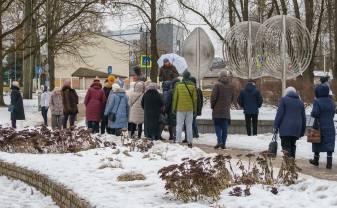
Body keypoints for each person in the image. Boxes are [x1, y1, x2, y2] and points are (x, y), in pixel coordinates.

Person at [274, 87, 306, 158]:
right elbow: (303, 118)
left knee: (285, 146)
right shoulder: (300, 102)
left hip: (285, 128)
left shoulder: (284, 100)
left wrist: (276, 126)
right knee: (292, 145)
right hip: (296, 128)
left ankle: (288, 164)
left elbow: (279, 114)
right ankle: (292, 162)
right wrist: (302, 131)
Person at [309, 85, 336, 169]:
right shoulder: (331, 101)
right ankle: (329, 164)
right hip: (330, 125)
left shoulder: (317, 101)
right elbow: (332, 114)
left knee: (317, 142)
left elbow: (315, 113)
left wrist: (312, 113)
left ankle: (316, 161)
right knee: (329, 144)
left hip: (319, 125)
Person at [172, 71, 197, 148]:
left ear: (183, 76)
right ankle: (190, 142)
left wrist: (174, 108)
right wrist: (195, 110)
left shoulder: (178, 85)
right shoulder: (193, 86)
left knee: (179, 125)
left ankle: (178, 141)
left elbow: (175, 98)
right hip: (190, 109)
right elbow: (195, 99)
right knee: (189, 126)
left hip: (180, 108)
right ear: (189, 77)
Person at [211, 71, 235, 149]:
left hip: (217, 110)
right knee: (225, 128)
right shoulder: (231, 86)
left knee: (217, 126)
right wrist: (227, 104)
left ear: (220, 77)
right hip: (226, 111)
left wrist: (212, 106)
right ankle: (223, 144)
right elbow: (232, 98)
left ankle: (219, 141)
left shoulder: (217, 85)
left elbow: (213, 97)